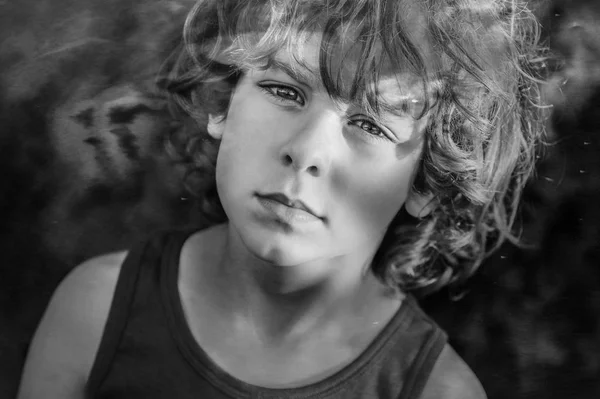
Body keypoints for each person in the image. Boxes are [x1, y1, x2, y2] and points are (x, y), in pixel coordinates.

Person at [16, 0, 546, 398]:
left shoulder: (436, 391)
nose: (306, 151)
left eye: (369, 124)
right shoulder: (97, 309)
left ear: (428, 183)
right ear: (223, 102)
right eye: (285, 91)